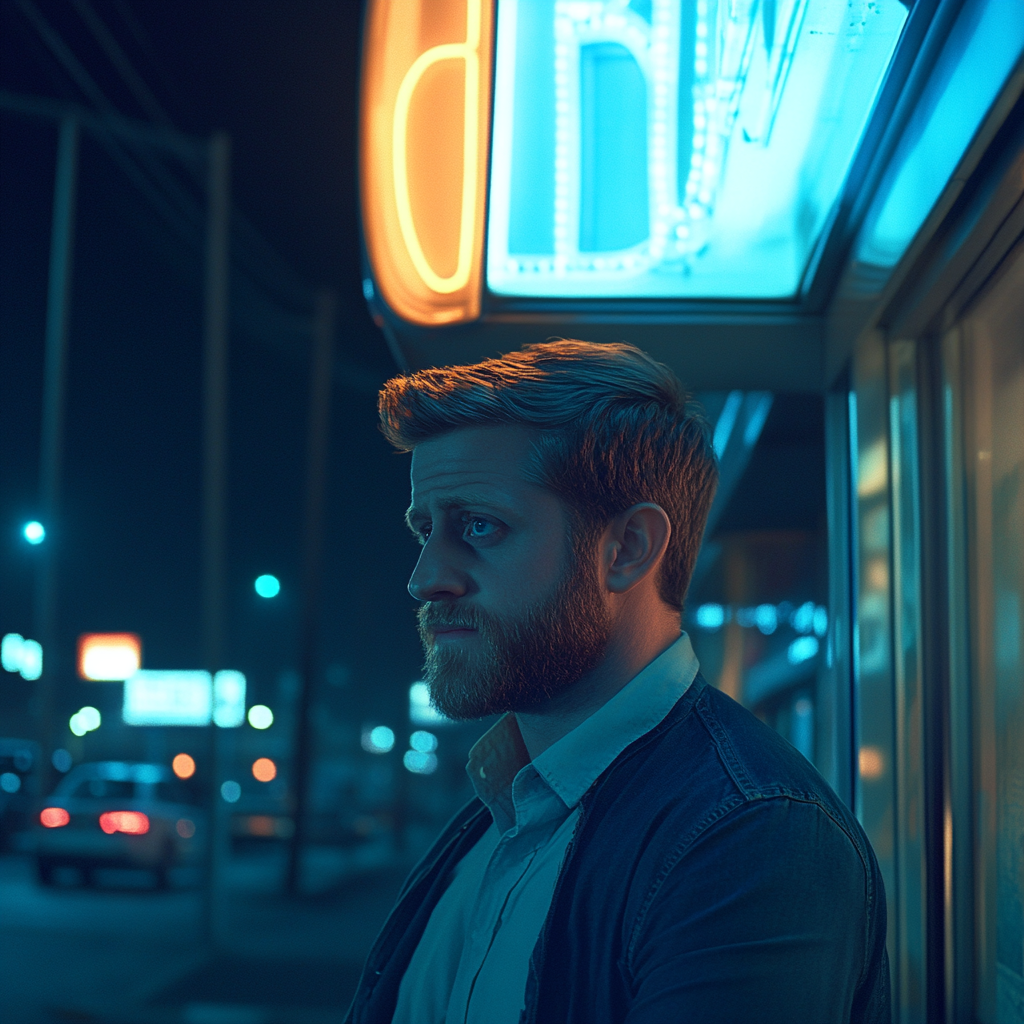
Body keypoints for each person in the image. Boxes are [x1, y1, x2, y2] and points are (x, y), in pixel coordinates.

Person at [346, 340, 890, 1024]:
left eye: (479, 527)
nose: (425, 577)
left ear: (628, 549)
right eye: (425, 531)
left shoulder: (751, 837)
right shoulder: (502, 814)